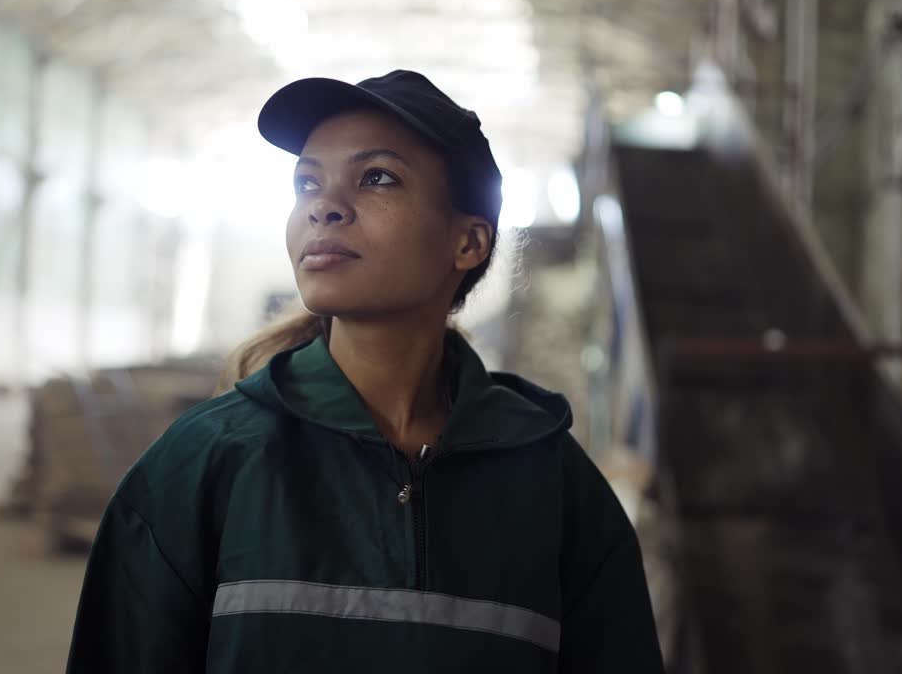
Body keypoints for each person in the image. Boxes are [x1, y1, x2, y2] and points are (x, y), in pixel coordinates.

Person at [65, 70, 665, 673]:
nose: (323, 206)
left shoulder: (554, 484)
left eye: (378, 177)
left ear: (468, 243)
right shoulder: (203, 463)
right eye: (307, 182)